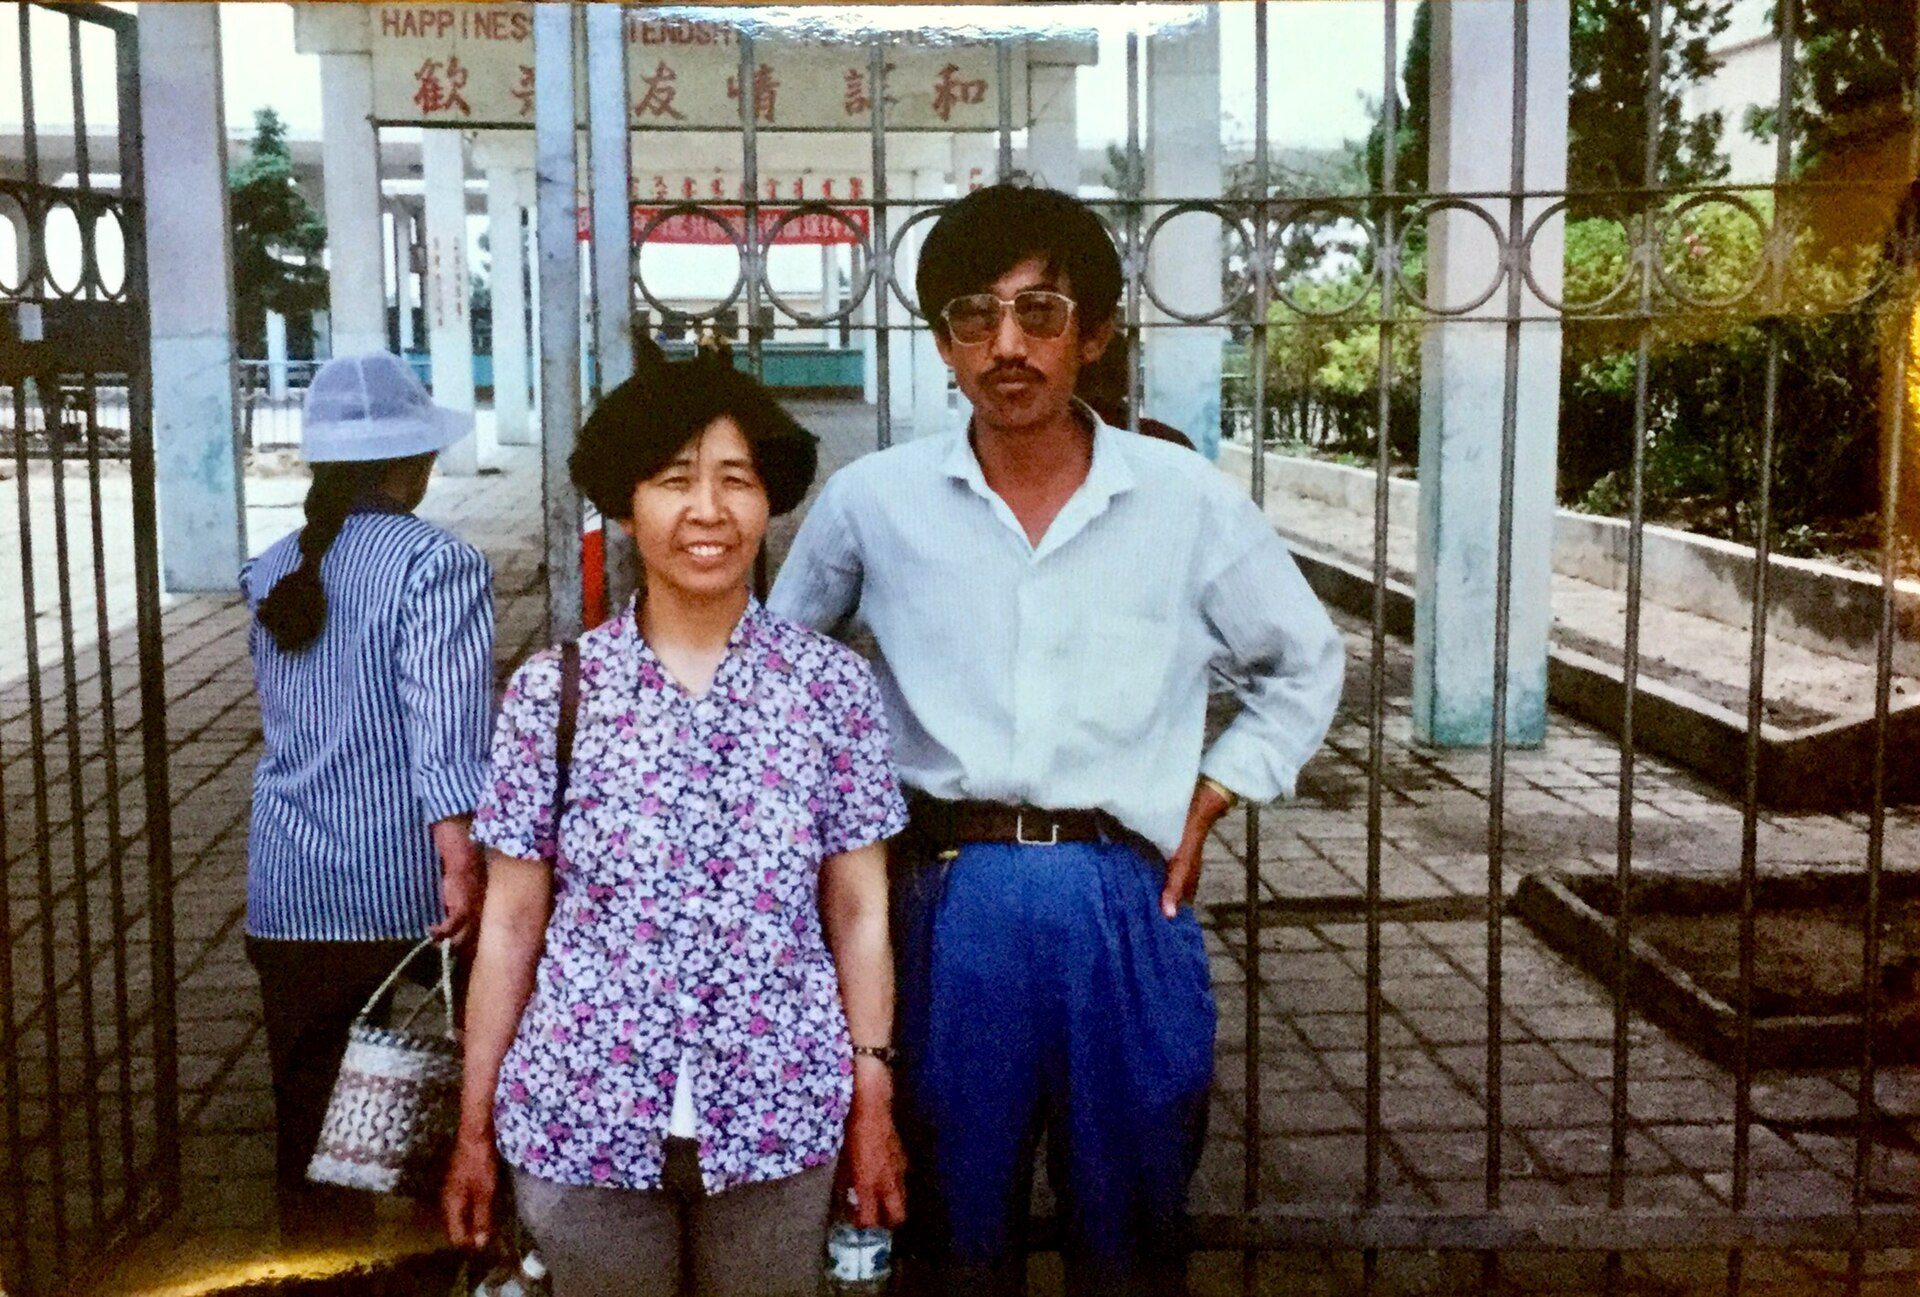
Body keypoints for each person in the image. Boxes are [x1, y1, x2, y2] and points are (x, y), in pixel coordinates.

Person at [768, 183, 1346, 1295]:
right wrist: (834, 839)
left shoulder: (1187, 503)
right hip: (943, 899)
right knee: (949, 1231)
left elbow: (1303, 661)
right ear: (942, 339)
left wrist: (1216, 789)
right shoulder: (874, 503)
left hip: (1122, 901)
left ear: (1097, 331)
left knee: (1132, 1231)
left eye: (1043, 312)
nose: (1010, 346)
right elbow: (780, 673)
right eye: (976, 315)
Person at [443, 351, 910, 1297]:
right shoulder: (554, 693)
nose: (708, 510)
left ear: (768, 500)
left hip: (780, 1105)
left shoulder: (829, 689)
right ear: (625, 506)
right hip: (582, 1111)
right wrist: (473, 1127)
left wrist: (873, 1092)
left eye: (735, 480)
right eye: (673, 482)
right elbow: (509, 925)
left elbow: (860, 912)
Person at [240, 351, 493, 1234]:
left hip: (288, 886)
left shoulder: (269, 567)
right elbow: (447, 728)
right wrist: (463, 861)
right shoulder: (437, 562)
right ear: (411, 462)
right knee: (438, 1114)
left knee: (310, 1142)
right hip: (409, 886)